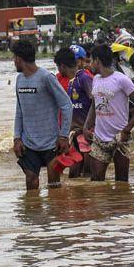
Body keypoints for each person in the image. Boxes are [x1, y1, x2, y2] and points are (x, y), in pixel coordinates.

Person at [12, 40, 73, 190]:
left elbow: (66, 105)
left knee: (54, 185)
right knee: (31, 181)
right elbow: (19, 110)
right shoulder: (19, 80)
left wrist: (64, 135)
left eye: (14, 58)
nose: (13, 62)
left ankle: (55, 213)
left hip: (51, 143)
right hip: (29, 143)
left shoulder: (46, 77)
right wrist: (16, 138)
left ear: (19, 59)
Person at [83, 44, 134, 182]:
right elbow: (95, 104)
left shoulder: (121, 79)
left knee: (122, 182)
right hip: (99, 138)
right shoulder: (95, 79)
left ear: (97, 61)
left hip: (119, 138)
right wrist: (86, 126)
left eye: (90, 61)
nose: (88, 65)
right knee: (96, 181)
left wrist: (127, 130)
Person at [54, 46, 93, 178]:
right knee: (74, 174)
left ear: (63, 66)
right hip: (72, 132)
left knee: (88, 172)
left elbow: (95, 101)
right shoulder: (68, 80)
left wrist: (87, 127)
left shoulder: (84, 78)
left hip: (85, 132)